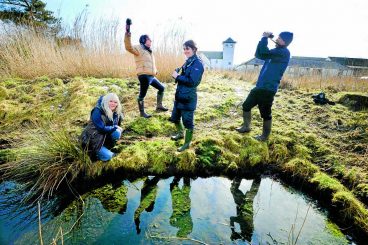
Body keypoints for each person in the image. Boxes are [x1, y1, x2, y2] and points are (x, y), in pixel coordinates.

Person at [236, 31, 293, 141]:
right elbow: (259, 54)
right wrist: (263, 39)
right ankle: (246, 127)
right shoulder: (275, 52)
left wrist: (265, 38)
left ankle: (265, 136)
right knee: (246, 105)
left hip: (269, 88)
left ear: (285, 42)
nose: (277, 39)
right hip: (260, 86)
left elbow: (264, 52)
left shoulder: (284, 52)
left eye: (280, 38)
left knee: (265, 113)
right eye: (278, 37)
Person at [124, 20, 168, 118]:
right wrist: (127, 31)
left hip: (151, 76)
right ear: (144, 40)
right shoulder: (138, 48)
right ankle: (142, 113)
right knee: (142, 95)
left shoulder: (149, 51)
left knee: (162, 88)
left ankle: (159, 106)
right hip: (144, 76)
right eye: (149, 39)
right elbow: (128, 47)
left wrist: (155, 71)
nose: (151, 41)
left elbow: (149, 63)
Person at [170, 40, 204, 152]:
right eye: (184, 49)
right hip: (179, 95)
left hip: (188, 98)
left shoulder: (198, 63)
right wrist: (178, 73)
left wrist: (177, 77)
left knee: (187, 122)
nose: (185, 51)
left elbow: (192, 81)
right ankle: (180, 133)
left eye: (187, 49)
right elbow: (184, 76)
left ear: (194, 49)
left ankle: (187, 143)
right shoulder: (188, 61)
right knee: (174, 118)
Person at [81, 93, 123, 161]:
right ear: (106, 101)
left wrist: (116, 127)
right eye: (110, 101)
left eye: (115, 102)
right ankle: (98, 154)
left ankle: (109, 146)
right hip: (93, 140)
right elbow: (101, 128)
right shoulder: (97, 111)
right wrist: (115, 127)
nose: (113, 104)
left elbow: (116, 126)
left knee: (117, 132)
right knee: (109, 156)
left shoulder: (116, 112)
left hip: (104, 137)